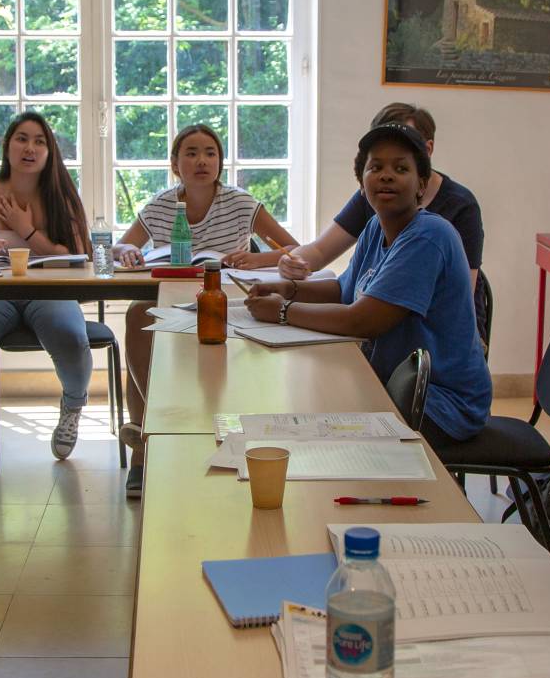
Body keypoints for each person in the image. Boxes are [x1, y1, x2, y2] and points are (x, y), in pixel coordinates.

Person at [242, 123, 492, 450]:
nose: (386, 175)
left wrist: (283, 312)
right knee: (300, 404)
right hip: (392, 385)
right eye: (375, 167)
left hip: (438, 402)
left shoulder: (429, 236)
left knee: (313, 431)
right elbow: (343, 291)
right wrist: (286, 289)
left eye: (401, 168)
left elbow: (362, 320)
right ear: (361, 184)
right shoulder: (376, 226)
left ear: (421, 186)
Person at [108, 124, 298, 498]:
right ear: (175, 164)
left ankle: (206, 437)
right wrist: (126, 252)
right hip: (170, 300)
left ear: (220, 163)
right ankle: (145, 446)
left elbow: (293, 249)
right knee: (136, 316)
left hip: (224, 301)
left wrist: (258, 258)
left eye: (210, 153)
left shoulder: (241, 203)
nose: (201, 161)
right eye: (191, 153)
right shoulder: (162, 203)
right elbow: (120, 247)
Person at [0, 112, 95, 490]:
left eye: (39, 141)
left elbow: (79, 257)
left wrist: (27, 231)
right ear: (7, 146)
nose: (30, 148)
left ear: (49, 151)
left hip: (51, 291)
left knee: (71, 339)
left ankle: (73, 404)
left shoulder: (61, 194)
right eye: (21, 139)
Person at [279, 102, 484, 291]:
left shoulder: (450, 214)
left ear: (426, 151)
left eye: (400, 164)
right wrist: (292, 261)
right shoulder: (376, 212)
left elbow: (462, 290)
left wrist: (284, 309)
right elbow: (323, 254)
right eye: (378, 162)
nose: (386, 175)